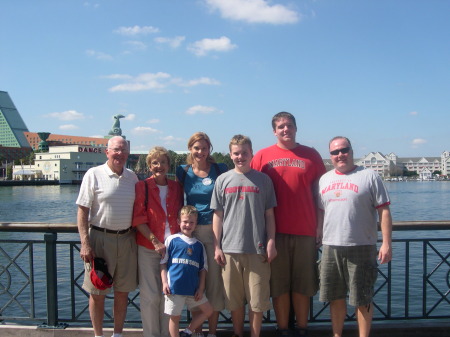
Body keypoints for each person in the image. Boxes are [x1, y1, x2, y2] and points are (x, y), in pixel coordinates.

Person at [251, 112, 326, 337]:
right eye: (281, 126)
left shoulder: (311, 155)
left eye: (289, 126)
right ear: (274, 131)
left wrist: (320, 226)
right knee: (279, 285)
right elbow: (252, 189)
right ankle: (282, 328)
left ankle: (302, 328)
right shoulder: (262, 156)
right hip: (274, 233)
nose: (286, 130)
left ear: (296, 128)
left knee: (303, 284)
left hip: (305, 230)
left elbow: (321, 195)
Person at [318, 136, 393, 337]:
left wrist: (386, 243)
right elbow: (321, 212)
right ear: (330, 155)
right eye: (335, 152)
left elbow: (384, 211)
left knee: (362, 299)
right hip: (330, 247)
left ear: (351, 151)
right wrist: (318, 233)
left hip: (361, 245)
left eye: (344, 150)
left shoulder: (369, 176)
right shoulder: (324, 179)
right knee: (335, 297)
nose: (340, 155)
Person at [211, 134, 277, 337]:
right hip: (230, 250)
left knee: (257, 302)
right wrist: (217, 246)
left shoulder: (264, 180)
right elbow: (218, 216)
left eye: (244, 153)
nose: (241, 157)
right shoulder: (222, 180)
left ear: (251, 153)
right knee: (234, 301)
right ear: (230, 155)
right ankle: (238, 334)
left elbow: (269, 215)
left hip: (257, 249)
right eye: (236, 153)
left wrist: (271, 242)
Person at [76, 136, 138, 337]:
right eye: (116, 150)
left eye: (123, 150)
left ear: (128, 153)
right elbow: (82, 211)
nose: (120, 154)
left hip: (127, 239)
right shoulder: (93, 174)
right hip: (100, 240)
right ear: (107, 152)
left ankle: (117, 334)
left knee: (122, 292)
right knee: (97, 292)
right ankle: (98, 335)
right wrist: (85, 243)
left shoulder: (133, 177)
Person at [175, 132, 227, 337]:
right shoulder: (183, 170)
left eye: (204, 148)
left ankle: (212, 332)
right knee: (195, 284)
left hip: (214, 231)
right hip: (191, 232)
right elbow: (178, 198)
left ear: (209, 149)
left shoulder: (219, 168)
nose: (200, 152)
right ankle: (196, 331)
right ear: (190, 149)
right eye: (196, 148)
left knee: (213, 285)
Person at [132, 146, 183, 337]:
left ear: (168, 164)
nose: (159, 166)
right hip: (148, 248)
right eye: (155, 162)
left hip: (173, 249)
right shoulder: (142, 186)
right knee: (151, 296)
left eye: (162, 162)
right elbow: (138, 219)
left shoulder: (176, 187)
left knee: (169, 296)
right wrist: (155, 241)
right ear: (149, 166)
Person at [161, 205, 214, 337]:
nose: (188, 225)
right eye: (185, 222)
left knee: (208, 310)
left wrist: (201, 289)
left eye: (191, 222)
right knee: (175, 317)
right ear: (179, 221)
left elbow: (203, 269)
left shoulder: (199, 245)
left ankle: (188, 331)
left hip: (193, 290)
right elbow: (163, 263)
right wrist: (164, 283)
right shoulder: (172, 240)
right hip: (175, 289)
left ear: (196, 224)